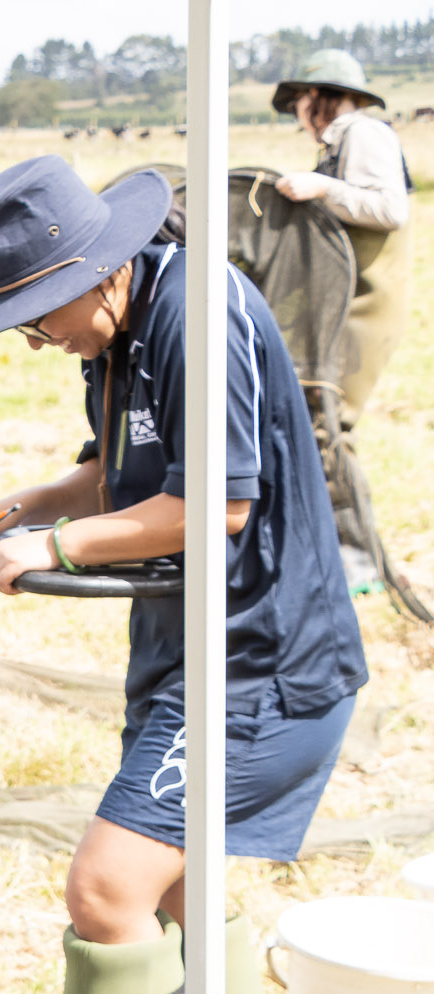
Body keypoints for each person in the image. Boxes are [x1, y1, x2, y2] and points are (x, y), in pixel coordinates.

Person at [0, 156, 367, 994]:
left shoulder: (197, 311)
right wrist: (24, 505)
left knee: (106, 887)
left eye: (37, 313)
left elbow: (214, 504)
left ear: (97, 271)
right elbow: (118, 468)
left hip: (260, 667)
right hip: (186, 658)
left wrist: (50, 550)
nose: (36, 338)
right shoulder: (122, 323)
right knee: (176, 892)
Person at [271, 49, 413, 595]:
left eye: (302, 101)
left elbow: (390, 210)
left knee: (330, 425)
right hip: (346, 302)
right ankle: (333, 549)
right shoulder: (345, 140)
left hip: (367, 304)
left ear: (321, 97)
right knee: (319, 421)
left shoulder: (363, 132)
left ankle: (356, 559)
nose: (300, 114)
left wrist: (323, 187)